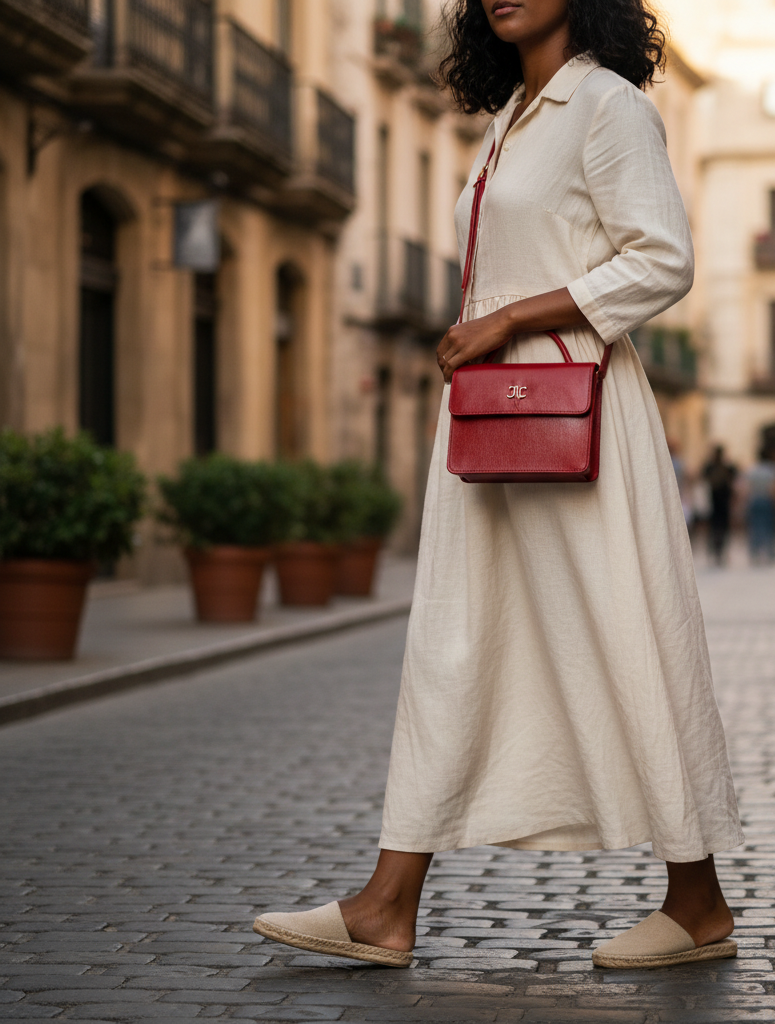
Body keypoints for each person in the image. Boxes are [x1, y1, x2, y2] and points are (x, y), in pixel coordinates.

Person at [252, 0, 743, 972]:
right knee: (452, 639)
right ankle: (387, 904)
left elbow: (662, 257)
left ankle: (697, 902)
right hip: (489, 418)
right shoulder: (506, 121)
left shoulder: (608, 107)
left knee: (618, 634)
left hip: (575, 414)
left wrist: (508, 318)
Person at [745, 448, 775, 564]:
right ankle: (770, 553)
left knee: (755, 527)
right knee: (769, 527)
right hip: (767, 500)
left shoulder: (753, 470)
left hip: (755, 499)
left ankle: (755, 553)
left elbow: (747, 487)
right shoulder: (772, 470)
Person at [703, 445, 737, 565]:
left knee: (717, 528)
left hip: (717, 503)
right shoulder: (725, 468)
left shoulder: (712, 467)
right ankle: (718, 552)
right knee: (719, 529)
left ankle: (718, 552)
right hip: (719, 503)